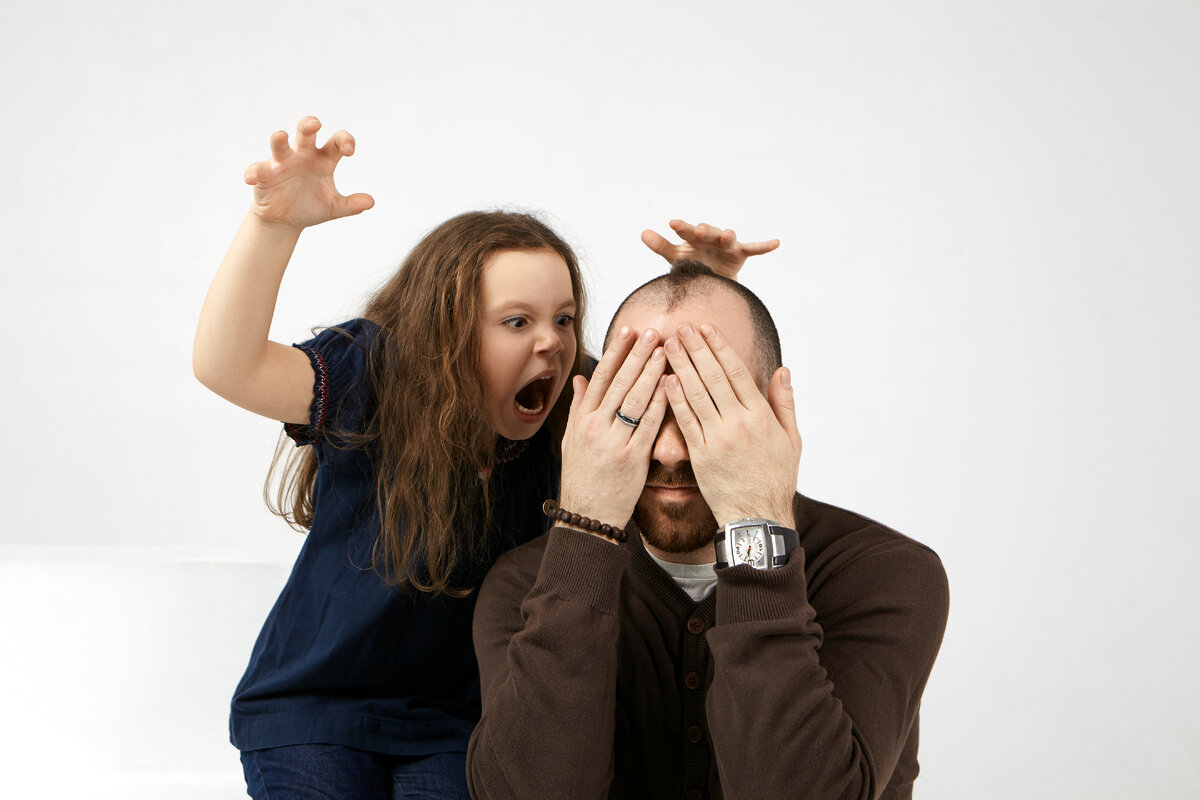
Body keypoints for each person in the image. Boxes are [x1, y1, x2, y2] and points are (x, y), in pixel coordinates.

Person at [193, 116, 779, 799]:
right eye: (517, 321)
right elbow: (226, 366)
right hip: (315, 710)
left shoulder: (576, 408)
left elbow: (677, 396)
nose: (553, 343)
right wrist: (273, 226)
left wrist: (702, 293)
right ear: (444, 330)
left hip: (460, 723)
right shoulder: (377, 375)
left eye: (564, 319)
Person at [468, 260, 950, 800]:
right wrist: (585, 527)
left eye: (709, 407)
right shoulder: (527, 582)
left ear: (772, 411)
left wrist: (755, 521)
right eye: (639, 408)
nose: (671, 450)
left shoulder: (883, 572)